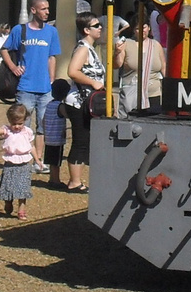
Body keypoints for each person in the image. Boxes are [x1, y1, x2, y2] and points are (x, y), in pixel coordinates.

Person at [63, 13, 109, 193]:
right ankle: (74, 181)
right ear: (86, 30)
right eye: (96, 25)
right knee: (80, 140)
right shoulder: (83, 48)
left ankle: (78, 179)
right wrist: (92, 82)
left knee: (87, 139)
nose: (100, 28)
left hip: (90, 102)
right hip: (79, 102)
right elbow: (72, 71)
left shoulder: (91, 48)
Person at [1, 0, 62, 133]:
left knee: (44, 127)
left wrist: (52, 79)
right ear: (33, 10)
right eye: (43, 9)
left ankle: (38, 155)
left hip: (45, 88)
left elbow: (52, 57)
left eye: (48, 9)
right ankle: (23, 153)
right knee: (22, 126)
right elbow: (4, 50)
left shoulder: (52, 31)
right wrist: (13, 67)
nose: (47, 12)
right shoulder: (19, 30)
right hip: (25, 87)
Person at [0, 102, 36, 219]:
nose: (16, 126)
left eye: (20, 123)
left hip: (24, 163)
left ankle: (21, 210)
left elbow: (32, 147)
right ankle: (8, 202)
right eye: (14, 123)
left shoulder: (27, 132)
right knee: (8, 186)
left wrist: (38, 160)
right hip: (10, 162)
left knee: (23, 187)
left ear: (25, 120)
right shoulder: (7, 130)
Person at [117, 17, 166, 114]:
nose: (141, 31)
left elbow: (164, 67)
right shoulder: (126, 44)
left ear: (149, 28)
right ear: (133, 30)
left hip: (154, 94)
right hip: (133, 95)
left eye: (143, 27)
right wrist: (117, 52)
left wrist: (169, 86)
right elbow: (117, 64)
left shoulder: (156, 45)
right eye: (137, 28)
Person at [39, 79, 69, 188]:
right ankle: (56, 180)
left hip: (49, 138)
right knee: (56, 162)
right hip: (57, 139)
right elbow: (67, 115)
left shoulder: (49, 104)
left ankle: (52, 178)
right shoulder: (60, 106)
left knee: (51, 161)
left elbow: (43, 120)